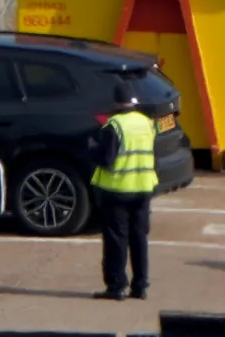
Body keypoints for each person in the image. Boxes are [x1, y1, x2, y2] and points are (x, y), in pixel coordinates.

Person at [91, 81, 157, 300]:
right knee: (139, 238)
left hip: (117, 189)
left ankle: (117, 286)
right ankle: (140, 286)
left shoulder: (114, 125)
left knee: (116, 239)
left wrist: (93, 149)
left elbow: (106, 159)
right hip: (143, 187)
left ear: (116, 101)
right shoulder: (147, 123)